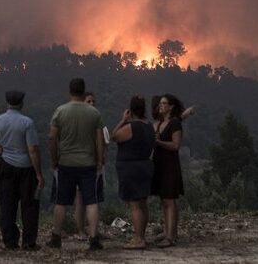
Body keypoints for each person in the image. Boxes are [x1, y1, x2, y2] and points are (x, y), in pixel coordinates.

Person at [0, 91, 43, 251]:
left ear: (8, 103)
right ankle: (28, 242)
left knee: (7, 205)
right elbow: (32, 149)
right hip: (26, 168)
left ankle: (10, 241)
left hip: (6, 166)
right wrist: (39, 173)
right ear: (21, 104)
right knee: (29, 206)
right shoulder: (27, 122)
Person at [47, 78, 104, 250]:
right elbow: (100, 140)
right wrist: (99, 160)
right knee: (91, 201)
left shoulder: (60, 111)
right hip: (88, 163)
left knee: (61, 201)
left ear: (70, 91)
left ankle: (56, 237)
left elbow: (52, 138)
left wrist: (54, 159)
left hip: (66, 163)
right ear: (83, 91)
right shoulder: (94, 113)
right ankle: (94, 238)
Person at [111, 96, 155, 249]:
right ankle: (141, 236)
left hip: (131, 168)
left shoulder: (132, 127)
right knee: (143, 204)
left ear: (131, 110)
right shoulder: (149, 126)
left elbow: (113, 136)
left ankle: (138, 239)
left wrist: (123, 120)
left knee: (134, 205)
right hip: (145, 166)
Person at [150, 94, 185, 248]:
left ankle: (171, 237)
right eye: (160, 103)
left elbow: (176, 145)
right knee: (164, 200)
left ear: (171, 106)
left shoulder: (175, 123)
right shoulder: (159, 124)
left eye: (164, 103)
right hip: (159, 164)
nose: (161, 106)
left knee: (169, 200)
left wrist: (159, 142)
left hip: (170, 165)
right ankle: (168, 231)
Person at [72, 91, 105, 241]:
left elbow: (105, 145)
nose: (92, 104)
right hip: (82, 164)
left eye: (93, 101)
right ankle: (80, 230)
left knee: (94, 199)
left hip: (96, 167)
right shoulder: (78, 123)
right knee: (81, 199)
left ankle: (93, 230)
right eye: (88, 102)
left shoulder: (99, 122)